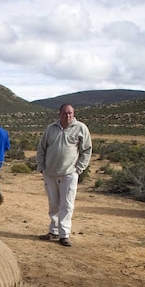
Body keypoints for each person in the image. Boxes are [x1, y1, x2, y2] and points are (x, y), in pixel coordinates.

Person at [36, 103, 92, 247]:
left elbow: (86, 150)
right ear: (59, 114)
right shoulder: (51, 129)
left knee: (67, 204)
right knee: (53, 203)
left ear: (73, 114)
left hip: (69, 173)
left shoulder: (81, 128)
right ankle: (53, 230)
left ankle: (64, 234)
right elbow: (42, 148)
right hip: (50, 172)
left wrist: (79, 169)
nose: (68, 116)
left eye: (70, 113)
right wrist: (41, 166)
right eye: (65, 113)